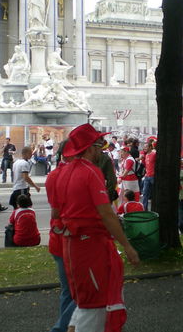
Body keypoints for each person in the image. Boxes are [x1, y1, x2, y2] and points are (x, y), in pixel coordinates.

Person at [54, 123, 139, 331]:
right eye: (99, 145)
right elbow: (107, 214)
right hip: (89, 246)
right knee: (94, 306)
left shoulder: (61, 172)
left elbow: (57, 213)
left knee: (83, 303)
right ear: (91, 147)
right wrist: (127, 246)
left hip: (72, 245)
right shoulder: (90, 172)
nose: (101, 149)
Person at [45, 140, 77, 332]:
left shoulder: (54, 175)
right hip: (70, 240)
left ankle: (67, 327)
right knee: (83, 291)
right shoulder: (70, 175)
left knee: (68, 292)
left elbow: (55, 212)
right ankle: (61, 328)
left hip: (59, 240)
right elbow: (57, 212)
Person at [141, 139, 156, 211]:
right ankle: (144, 209)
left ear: (150, 147)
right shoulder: (146, 155)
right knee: (145, 193)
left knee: (154, 193)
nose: (144, 148)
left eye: (146, 147)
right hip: (147, 176)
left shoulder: (154, 154)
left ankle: (155, 209)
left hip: (153, 176)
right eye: (144, 147)